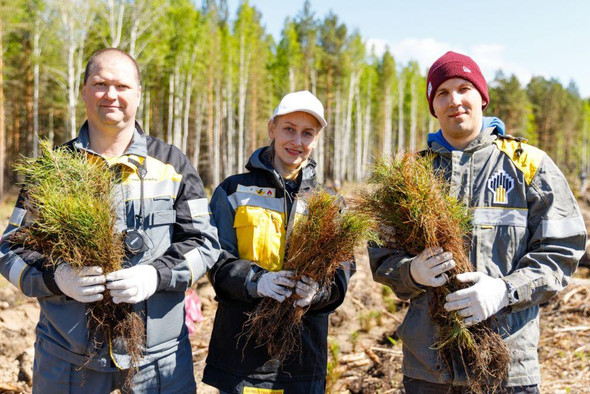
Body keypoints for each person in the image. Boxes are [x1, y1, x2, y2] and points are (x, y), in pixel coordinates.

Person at [0, 48, 220, 393]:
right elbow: (10, 250)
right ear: (84, 90)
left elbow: (205, 244)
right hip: (68, 358)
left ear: (138, 94)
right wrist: (57, 277)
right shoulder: (53, 169)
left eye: (122, 86)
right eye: (100, 84)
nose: (111, 95)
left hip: (157, 359)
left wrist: (156, 275)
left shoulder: (171, 164)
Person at [369, 51, 586, 393]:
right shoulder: (410, 176)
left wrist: (505, 290)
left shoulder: (528, 165)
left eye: (463, 88)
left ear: (481, 97)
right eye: (442, 93)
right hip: (429, 369)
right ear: (433, 106)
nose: (454, 100)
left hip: (507, 365)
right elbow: (381, 256)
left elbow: (562, 249)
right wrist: (411, 272)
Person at [203, 91, 354, 393]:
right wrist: (256, 281)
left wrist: (318, 291)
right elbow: (215, 260)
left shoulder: (328, 202)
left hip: (302, 359)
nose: (297, 141)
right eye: (289, 129)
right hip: (242, 357)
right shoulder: (234, 190)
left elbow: (343, 272)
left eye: (307, 133)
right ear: (272, 129)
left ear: (316, 140)